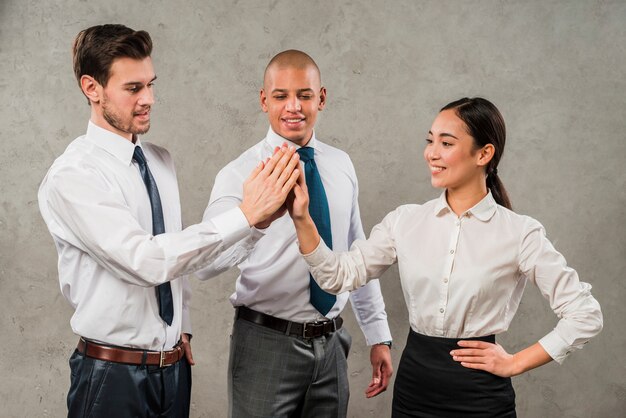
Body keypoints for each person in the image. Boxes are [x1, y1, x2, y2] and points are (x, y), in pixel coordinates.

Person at [38, 24, 300, 418]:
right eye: (133, 88)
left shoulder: (159, 161)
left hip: (173, 371)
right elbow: (146, 261)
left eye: (151, 84)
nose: (149, 99)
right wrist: (244, 214)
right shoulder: (73, 176)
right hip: (112, 376)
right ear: (92, 88)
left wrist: (183, 325)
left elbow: (176, 258)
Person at [288, 97, 603, 417]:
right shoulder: (405, 221)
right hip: (414, 392)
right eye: (430, 141)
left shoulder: (520, 233)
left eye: (446, 142)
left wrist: (515, 362)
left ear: (484, 153)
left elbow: (585, 315)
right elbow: (337, 276)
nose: (432, 153)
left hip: (482, 399)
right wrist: (301, 218)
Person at [195, 50, 393, 418]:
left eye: (304, 95)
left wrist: (378, 334)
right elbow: (205, 263)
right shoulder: (240, 173)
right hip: (265, 344)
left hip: (332, 343)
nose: (293, 107)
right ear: (263, 100)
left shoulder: (341, 165)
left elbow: (356, 253)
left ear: (322, 98)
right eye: (281, 96)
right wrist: (255, 218)